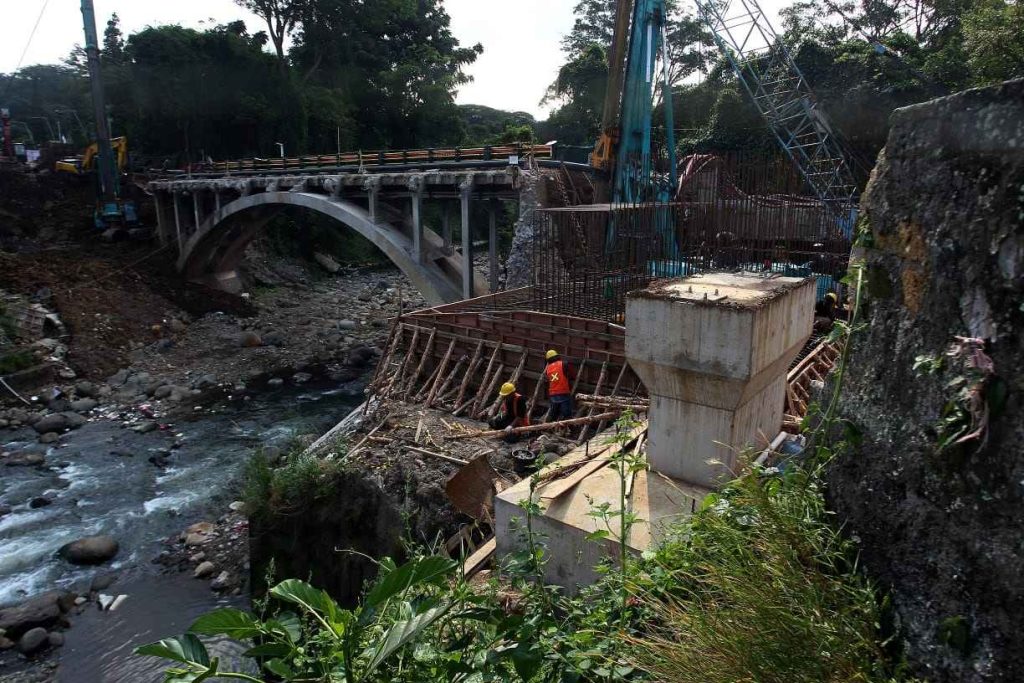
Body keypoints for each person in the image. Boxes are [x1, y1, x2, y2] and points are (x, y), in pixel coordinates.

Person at [543, 349, 576, 421]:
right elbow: (572, 375)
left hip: (553, 394)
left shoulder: (548, 368)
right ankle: (568, 425)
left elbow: (547, 381)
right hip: (563, 391)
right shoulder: (564, 364)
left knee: (554, 413)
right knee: (567, 414)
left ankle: (550, 424)